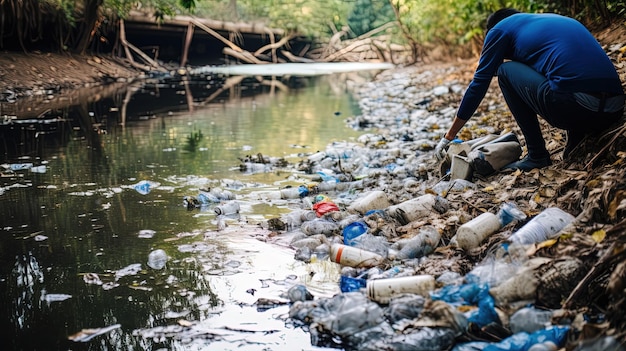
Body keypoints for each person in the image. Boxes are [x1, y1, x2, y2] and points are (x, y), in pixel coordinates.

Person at [434, 8, 625, 171]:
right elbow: (573, 71)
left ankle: (537, 155)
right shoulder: (549, 22)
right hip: (614, 110)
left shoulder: (499, 30)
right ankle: (577, 140)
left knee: (505, 71)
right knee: (562, 75)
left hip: (574, 106)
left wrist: (449, 136)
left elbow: (478, 84)